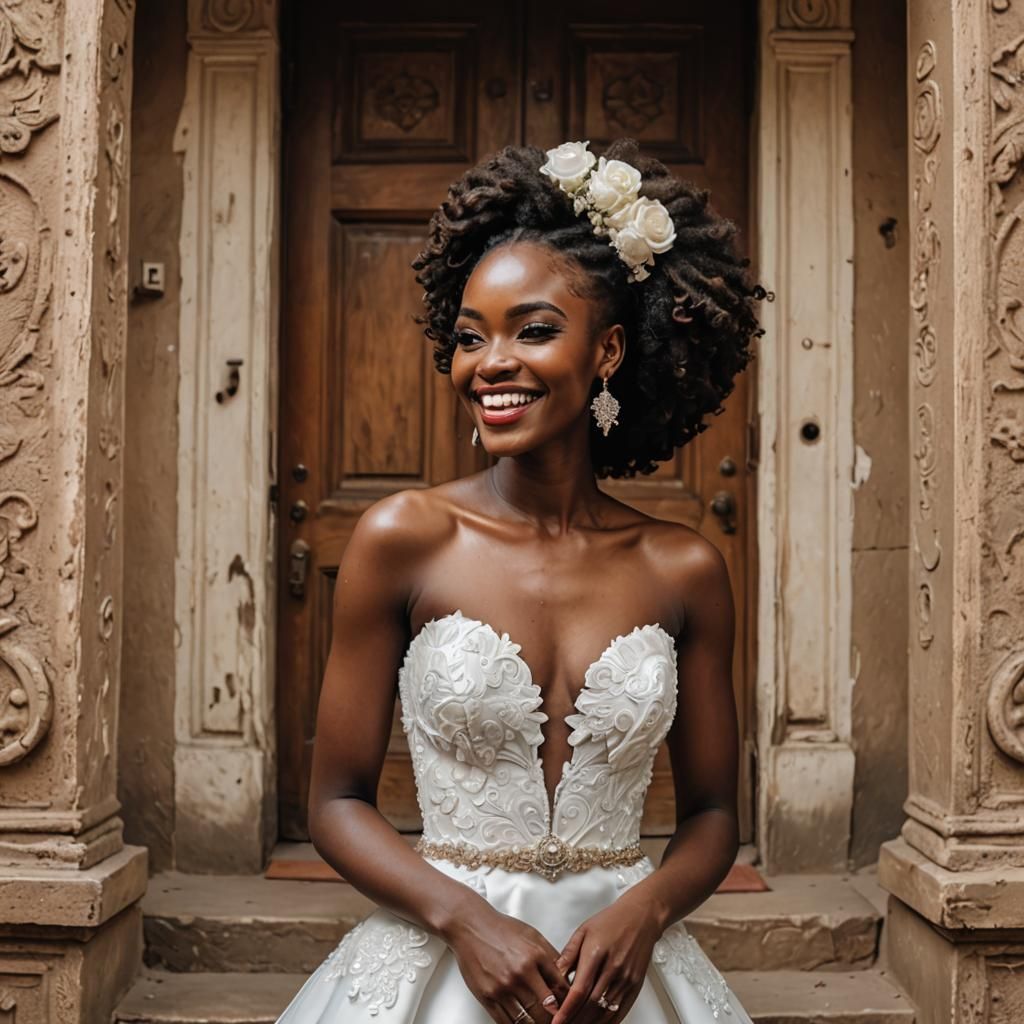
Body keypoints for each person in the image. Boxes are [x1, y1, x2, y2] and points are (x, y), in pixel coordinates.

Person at [276, 138, 766, 1023]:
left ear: (608, 351)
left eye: (532, 330)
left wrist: (644, 911)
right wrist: (465, 920)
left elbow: (714, 815)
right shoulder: (404, 539)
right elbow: (337, 802)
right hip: (442, 958)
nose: (490, 363)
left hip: (620, 973)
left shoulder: (684, 565)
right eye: (470, 338)